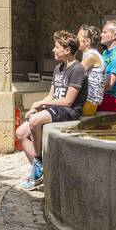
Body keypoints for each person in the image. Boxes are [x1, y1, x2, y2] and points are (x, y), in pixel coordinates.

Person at [16, 30, 86, 189]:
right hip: (54, 109)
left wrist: (41, 105)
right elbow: (51, 95)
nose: (53, 50)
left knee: (35, 121)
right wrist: (38, 105)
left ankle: (39, 161)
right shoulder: (58, 68)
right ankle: (39, 168)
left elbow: (68, 102)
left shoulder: (78, 69)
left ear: (67, 50)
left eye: (56, 47)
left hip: (70, 112)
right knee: (20, 133)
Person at [77, 24, 106, 116]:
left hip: (88, 104)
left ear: (87, 41)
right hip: (88, 103)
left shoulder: (91, 56)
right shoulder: (89, 54)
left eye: (78, 38)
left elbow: (75, 74)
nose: (75, 41)